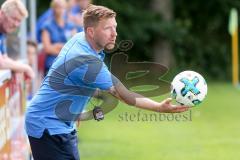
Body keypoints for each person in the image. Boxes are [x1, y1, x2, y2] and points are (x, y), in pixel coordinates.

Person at [25, 5, 189, 160]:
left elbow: (65, 76)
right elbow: (125, 95)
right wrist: (159, 107)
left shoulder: (80, 39)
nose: (114, 33)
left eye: (115, 27)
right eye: (107, 28)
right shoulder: (86, 60)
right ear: (90, 31)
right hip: (48, 125)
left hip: (58, 122)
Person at [0, 0, 35, 79]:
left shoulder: (2, 32)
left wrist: (19, 67)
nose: (16, 24)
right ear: (2, 13)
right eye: (14, 18)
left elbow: (4, 58)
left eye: (19, 21)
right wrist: (26, 68)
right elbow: (1, 63)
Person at [41, 0, 77, 75]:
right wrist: (66, 47)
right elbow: (47, 48)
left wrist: (57, 46)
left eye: (63, 8)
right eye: (58, 7)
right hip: (52, 65)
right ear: (53, 9)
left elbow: (75, 47)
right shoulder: (47, 26)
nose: (61, 10)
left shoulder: (71, 26)